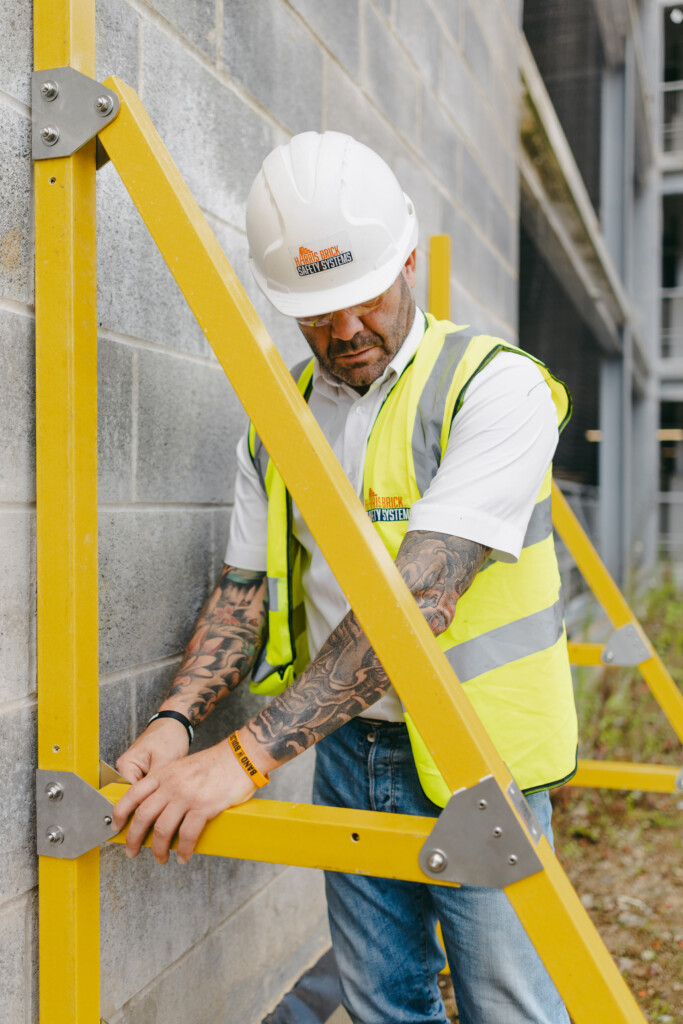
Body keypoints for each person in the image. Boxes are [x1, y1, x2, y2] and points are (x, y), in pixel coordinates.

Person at [113, 131, 578, 1024]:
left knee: (508, 1006)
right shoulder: (278, 418)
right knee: (378, 1004)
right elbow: (243, 593)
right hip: (348, 751)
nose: (343, 331)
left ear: (406, 259)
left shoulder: (493, 389)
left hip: (480, 759)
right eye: (315, 311)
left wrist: (241, 760)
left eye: (360, 299)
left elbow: (417, 604)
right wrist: (175, 722)